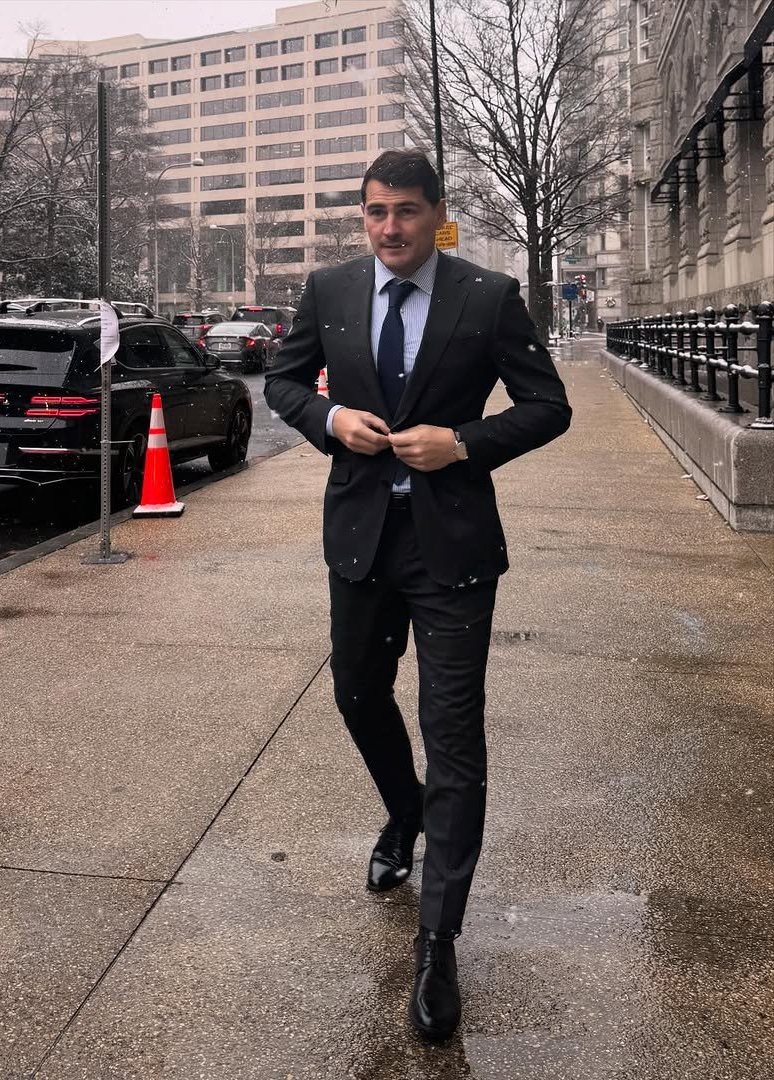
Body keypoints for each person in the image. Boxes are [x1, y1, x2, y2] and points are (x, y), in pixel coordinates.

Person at [264, 150, 571, 1041]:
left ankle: (438, 945)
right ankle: (404, 813)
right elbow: (284, 382)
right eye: (373, 212)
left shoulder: (486, 295)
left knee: (455, 733)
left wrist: (463, 442)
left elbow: (547, 405)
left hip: (453, 552)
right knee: (357, 694)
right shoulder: (330, 290)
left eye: (404, 211)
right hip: (360, 539)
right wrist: (328, 420)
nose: (389, 227)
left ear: (437, 215)